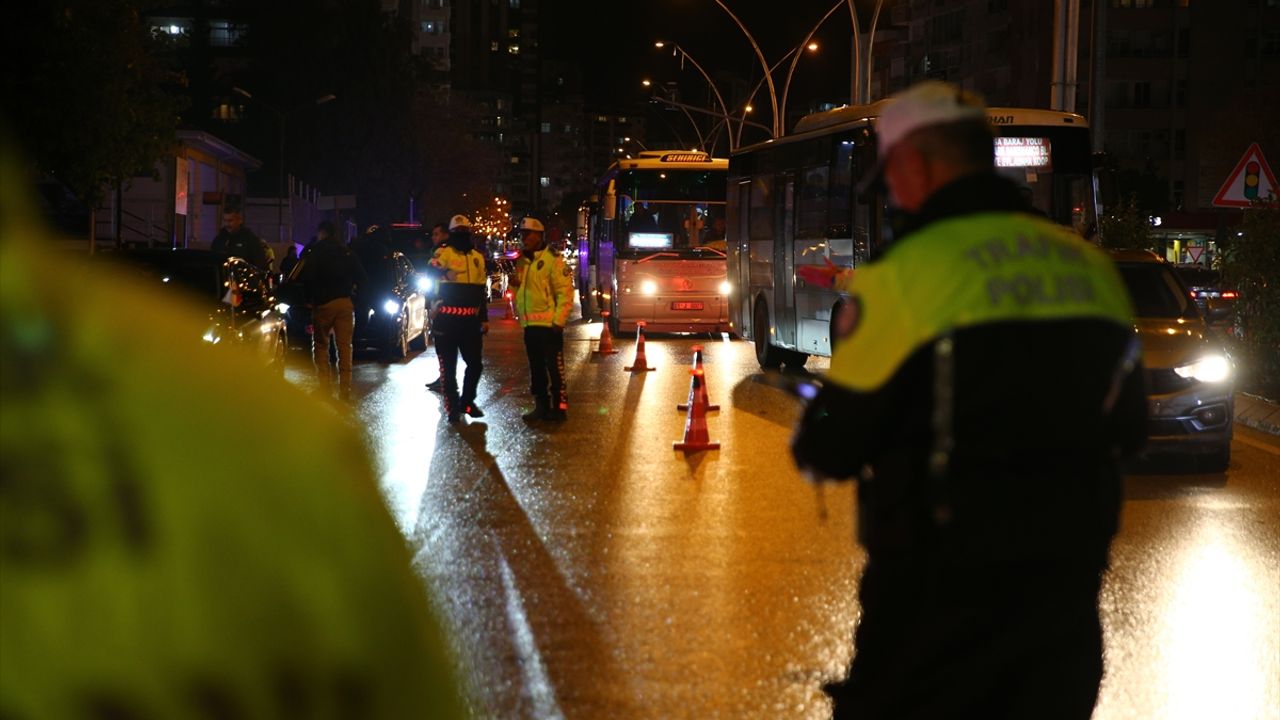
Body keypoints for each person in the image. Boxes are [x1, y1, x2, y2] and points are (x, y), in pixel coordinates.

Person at [0, 157, 464, 717]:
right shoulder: (286, 438)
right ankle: (338, 386)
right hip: (335, 315)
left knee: (326, 353)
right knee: (338, 356)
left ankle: (331, 382)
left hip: (322, 311)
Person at [790, 80, 1147, 719]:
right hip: (1063, 614)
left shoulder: (902, 277)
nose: (892, 193)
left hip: (936, 615)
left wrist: (821, 402)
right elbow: (1131, 427)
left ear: (919, 166)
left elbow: (830, 445)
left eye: (892, 175)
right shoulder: (1087, 268)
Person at [511, 216, 573, 422]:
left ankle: (560, 407)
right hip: (530, 326)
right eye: (522, 235)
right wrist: (514, 285)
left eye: (527, 235)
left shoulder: (553, 260)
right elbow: (521, 292)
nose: (524, 239)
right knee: (536, 370)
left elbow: (565, 293)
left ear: (538, 236)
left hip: (550, 327)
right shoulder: (522, 261)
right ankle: (541, 406)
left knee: (555, 369)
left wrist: (559, 321)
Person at [428, 214, 488, 423]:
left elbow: (481, 291)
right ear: (451, 234)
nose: (461, 236)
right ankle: (452, 407)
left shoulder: (477, 257)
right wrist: (446, 272)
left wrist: (484, 318)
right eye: (457, 232)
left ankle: (467, 401)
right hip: (447, 319)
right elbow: (430, 269)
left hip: (470, 321)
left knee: (475, 365)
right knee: (448, 368)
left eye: (464, 232)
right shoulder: (444, 253)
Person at [298, 220, 368, 402]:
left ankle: (325, 388)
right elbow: (363, 278)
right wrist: (355, 299)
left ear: (321, 232)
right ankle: (345, 389)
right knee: (345, 346)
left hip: (323, 304)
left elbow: (306, 278)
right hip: (345, 303)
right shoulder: (347, 252)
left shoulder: (316, 252)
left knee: (321, 345)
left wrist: (308, 300)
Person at [425, 221, 451, 393]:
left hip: (442, 304)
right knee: (441, 345)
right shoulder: (440, 252)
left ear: (445, 234)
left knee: (443, 345)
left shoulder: (443, 252)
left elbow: (434, 271)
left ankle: (445, 379)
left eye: (437, 234)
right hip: (439, 302)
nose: (433, 237)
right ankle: (443, 377)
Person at [210, 207, 272, 273]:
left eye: (230, 221)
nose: (227, 224)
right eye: (224, 220)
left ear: (239, 221)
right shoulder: (219, 239)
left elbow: (260, 266)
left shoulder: (250, 240)